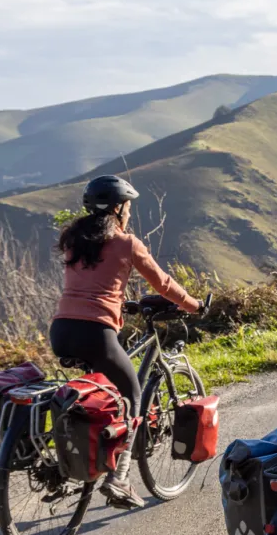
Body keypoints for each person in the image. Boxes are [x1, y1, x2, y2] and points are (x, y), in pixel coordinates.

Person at [50, 174, 202, 509]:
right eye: (128, 206)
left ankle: (80, 454)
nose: (129, 212)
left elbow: (91, 285)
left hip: (61, 330)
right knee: (133, 397)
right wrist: (193, 305)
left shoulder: (74, 239)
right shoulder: (126, 242)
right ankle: (118, 478)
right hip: (95, 333)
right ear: (119, 208)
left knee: (96, 396)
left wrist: (119, 303)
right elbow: (162, 283)